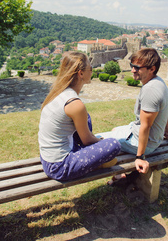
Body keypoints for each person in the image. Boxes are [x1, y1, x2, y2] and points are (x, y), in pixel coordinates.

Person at [97, 48, 168, 181]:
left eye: (137, 67)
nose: (133, 70)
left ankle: (118, 173)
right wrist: (167, 135)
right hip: (149, 137)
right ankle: (118, 174)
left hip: (141, 142)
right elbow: (165, 112)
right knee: (115, 130)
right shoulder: (159, 82)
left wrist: (139, 157)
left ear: (152, 69)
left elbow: (145, 126)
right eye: (132, 66)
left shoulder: (150, 90)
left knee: (95, 140)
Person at [38, 51, 121, 181]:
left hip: (47, 159)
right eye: (90, 68)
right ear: (81, 73)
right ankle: (97, 164)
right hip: (59, 166)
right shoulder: (75, 104)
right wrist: (102, 142)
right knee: (114, 145)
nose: (92, 72)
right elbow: (87, 140)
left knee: (87, 121)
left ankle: (96, 157)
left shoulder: (58, 92)